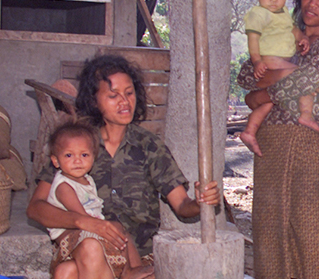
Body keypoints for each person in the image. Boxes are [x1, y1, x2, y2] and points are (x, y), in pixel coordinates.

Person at [27, 54, 220, 279]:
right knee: (71, 267)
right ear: (93, 101)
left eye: (129, 93)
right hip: (87, 250)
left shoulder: (149, 146)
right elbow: (36, 208)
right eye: (113, 95)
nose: (124, 101)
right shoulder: (76, 145)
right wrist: (85, 222)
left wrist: (200, 202)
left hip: (138, 259)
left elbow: (182, 206)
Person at [236, 0, 319, 278]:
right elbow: (245, 74)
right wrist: (283, 78)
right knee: (268, 231)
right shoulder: (281, 35)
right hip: (270, 144)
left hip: (310, 144)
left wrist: (258, 97)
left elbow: (306, 81)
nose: (312, 4)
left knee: (308, 233)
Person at [43, 122, 151, 279]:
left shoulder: (87, 180)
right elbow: (81, 217)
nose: (78, 161)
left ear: (93, 157)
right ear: (55, 161)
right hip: (72, 234)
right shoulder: (63, 186)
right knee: (115, 228)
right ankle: (128, 271)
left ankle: (132, 268)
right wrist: (103, 228)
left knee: (120, 229)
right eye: (69, 155)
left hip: (86, 230)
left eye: (84, 155)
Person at [239, 0, 319, 152]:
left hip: (281, 61)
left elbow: (291, 28)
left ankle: (249, 131)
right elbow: (253, 39)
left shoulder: (283, 12)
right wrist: (257, 61)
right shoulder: (258, 14)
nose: (274, 0)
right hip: (269, 58)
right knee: (304, 77)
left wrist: (302, 38)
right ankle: (306, 115)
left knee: (268, 102)